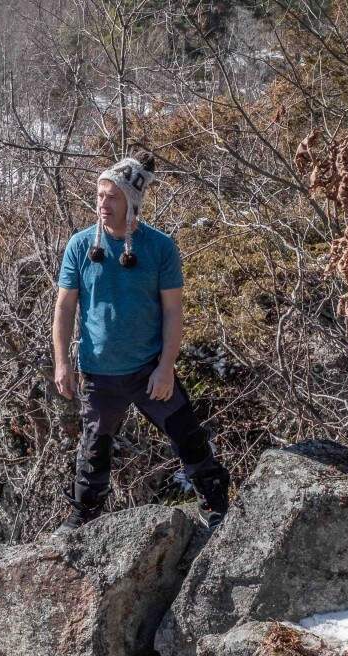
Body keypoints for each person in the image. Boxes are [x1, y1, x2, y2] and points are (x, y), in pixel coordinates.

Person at [51, 150, 230, 531]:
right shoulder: (81, 246)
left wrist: (166, 367)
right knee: (93, 452)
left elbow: (173, 312)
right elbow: (64, 308)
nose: (102, 203)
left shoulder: (160, 247)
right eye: (99, 195)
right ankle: (82, 520)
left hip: (150, 368)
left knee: (188, 437)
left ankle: (216, 506)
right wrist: (62, 363)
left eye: (112, 196)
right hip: (99, 372)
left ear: (131, 203)